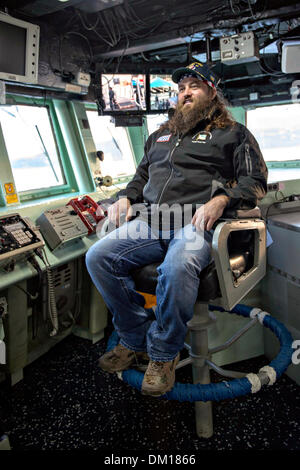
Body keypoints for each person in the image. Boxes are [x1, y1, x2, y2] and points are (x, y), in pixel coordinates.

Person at [86, 61, 268, 397]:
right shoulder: (159, 136)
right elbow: (141, 178)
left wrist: (223, 199)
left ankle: (163, 353)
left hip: (196, 222)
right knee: (98, 257)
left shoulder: (235, 134)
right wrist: (126, 197)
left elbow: (255, 182)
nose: (185, 93)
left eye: (194, 87)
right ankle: (135, 335)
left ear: (212, 92)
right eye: (181, 88)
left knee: (179, 264)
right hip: (152, 222)